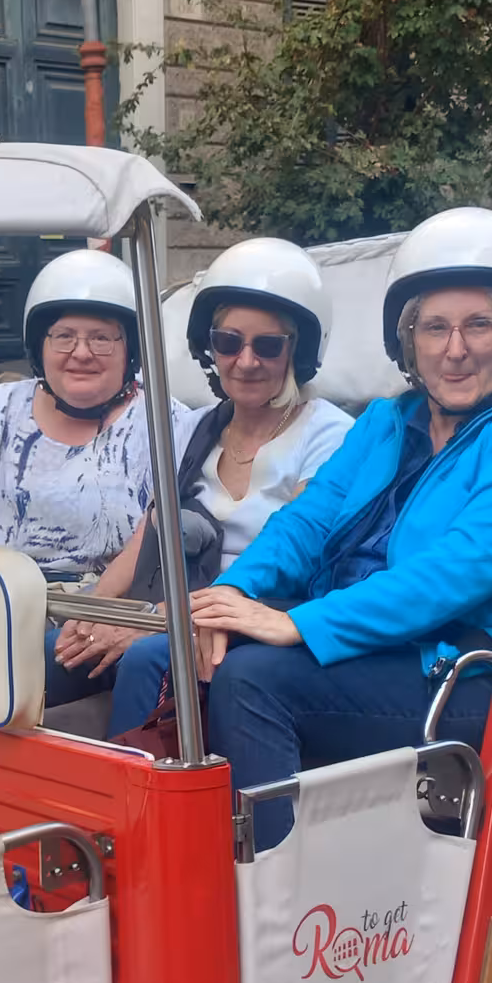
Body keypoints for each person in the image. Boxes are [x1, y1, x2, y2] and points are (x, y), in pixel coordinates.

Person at [185, 208, 492, 849]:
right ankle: (158, 865)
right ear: (409, 342)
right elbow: (307, 522)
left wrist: (298, 624)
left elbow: (456, 571)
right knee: (169, 656)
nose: (454, 349)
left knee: (252, 681)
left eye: (478, 325)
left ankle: (274, 902)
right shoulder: (387, 420)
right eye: (434, 328)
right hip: (378, 649)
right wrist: (231, 597)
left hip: (471, 671)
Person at [93, 239, 354, 734]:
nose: (245, 361)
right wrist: (90, 610)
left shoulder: (328, 435)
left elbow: (298, 553)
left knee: (149, 656)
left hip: (264, 611)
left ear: (299, 350)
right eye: (229, 342)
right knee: (53, 653)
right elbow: (150, 533)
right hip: (174, 606)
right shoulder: (195, 429)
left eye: (268, 345)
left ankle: (137, 803)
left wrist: (154, 619)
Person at [0, 248, 194, 706]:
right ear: (39, 347)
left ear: (131, 350)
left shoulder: (166, 422)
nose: (81, 353)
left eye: (103, 338)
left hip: (90, 610)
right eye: (63, 336)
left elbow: (160, 525)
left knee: (4, 678)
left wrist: (95, 604)